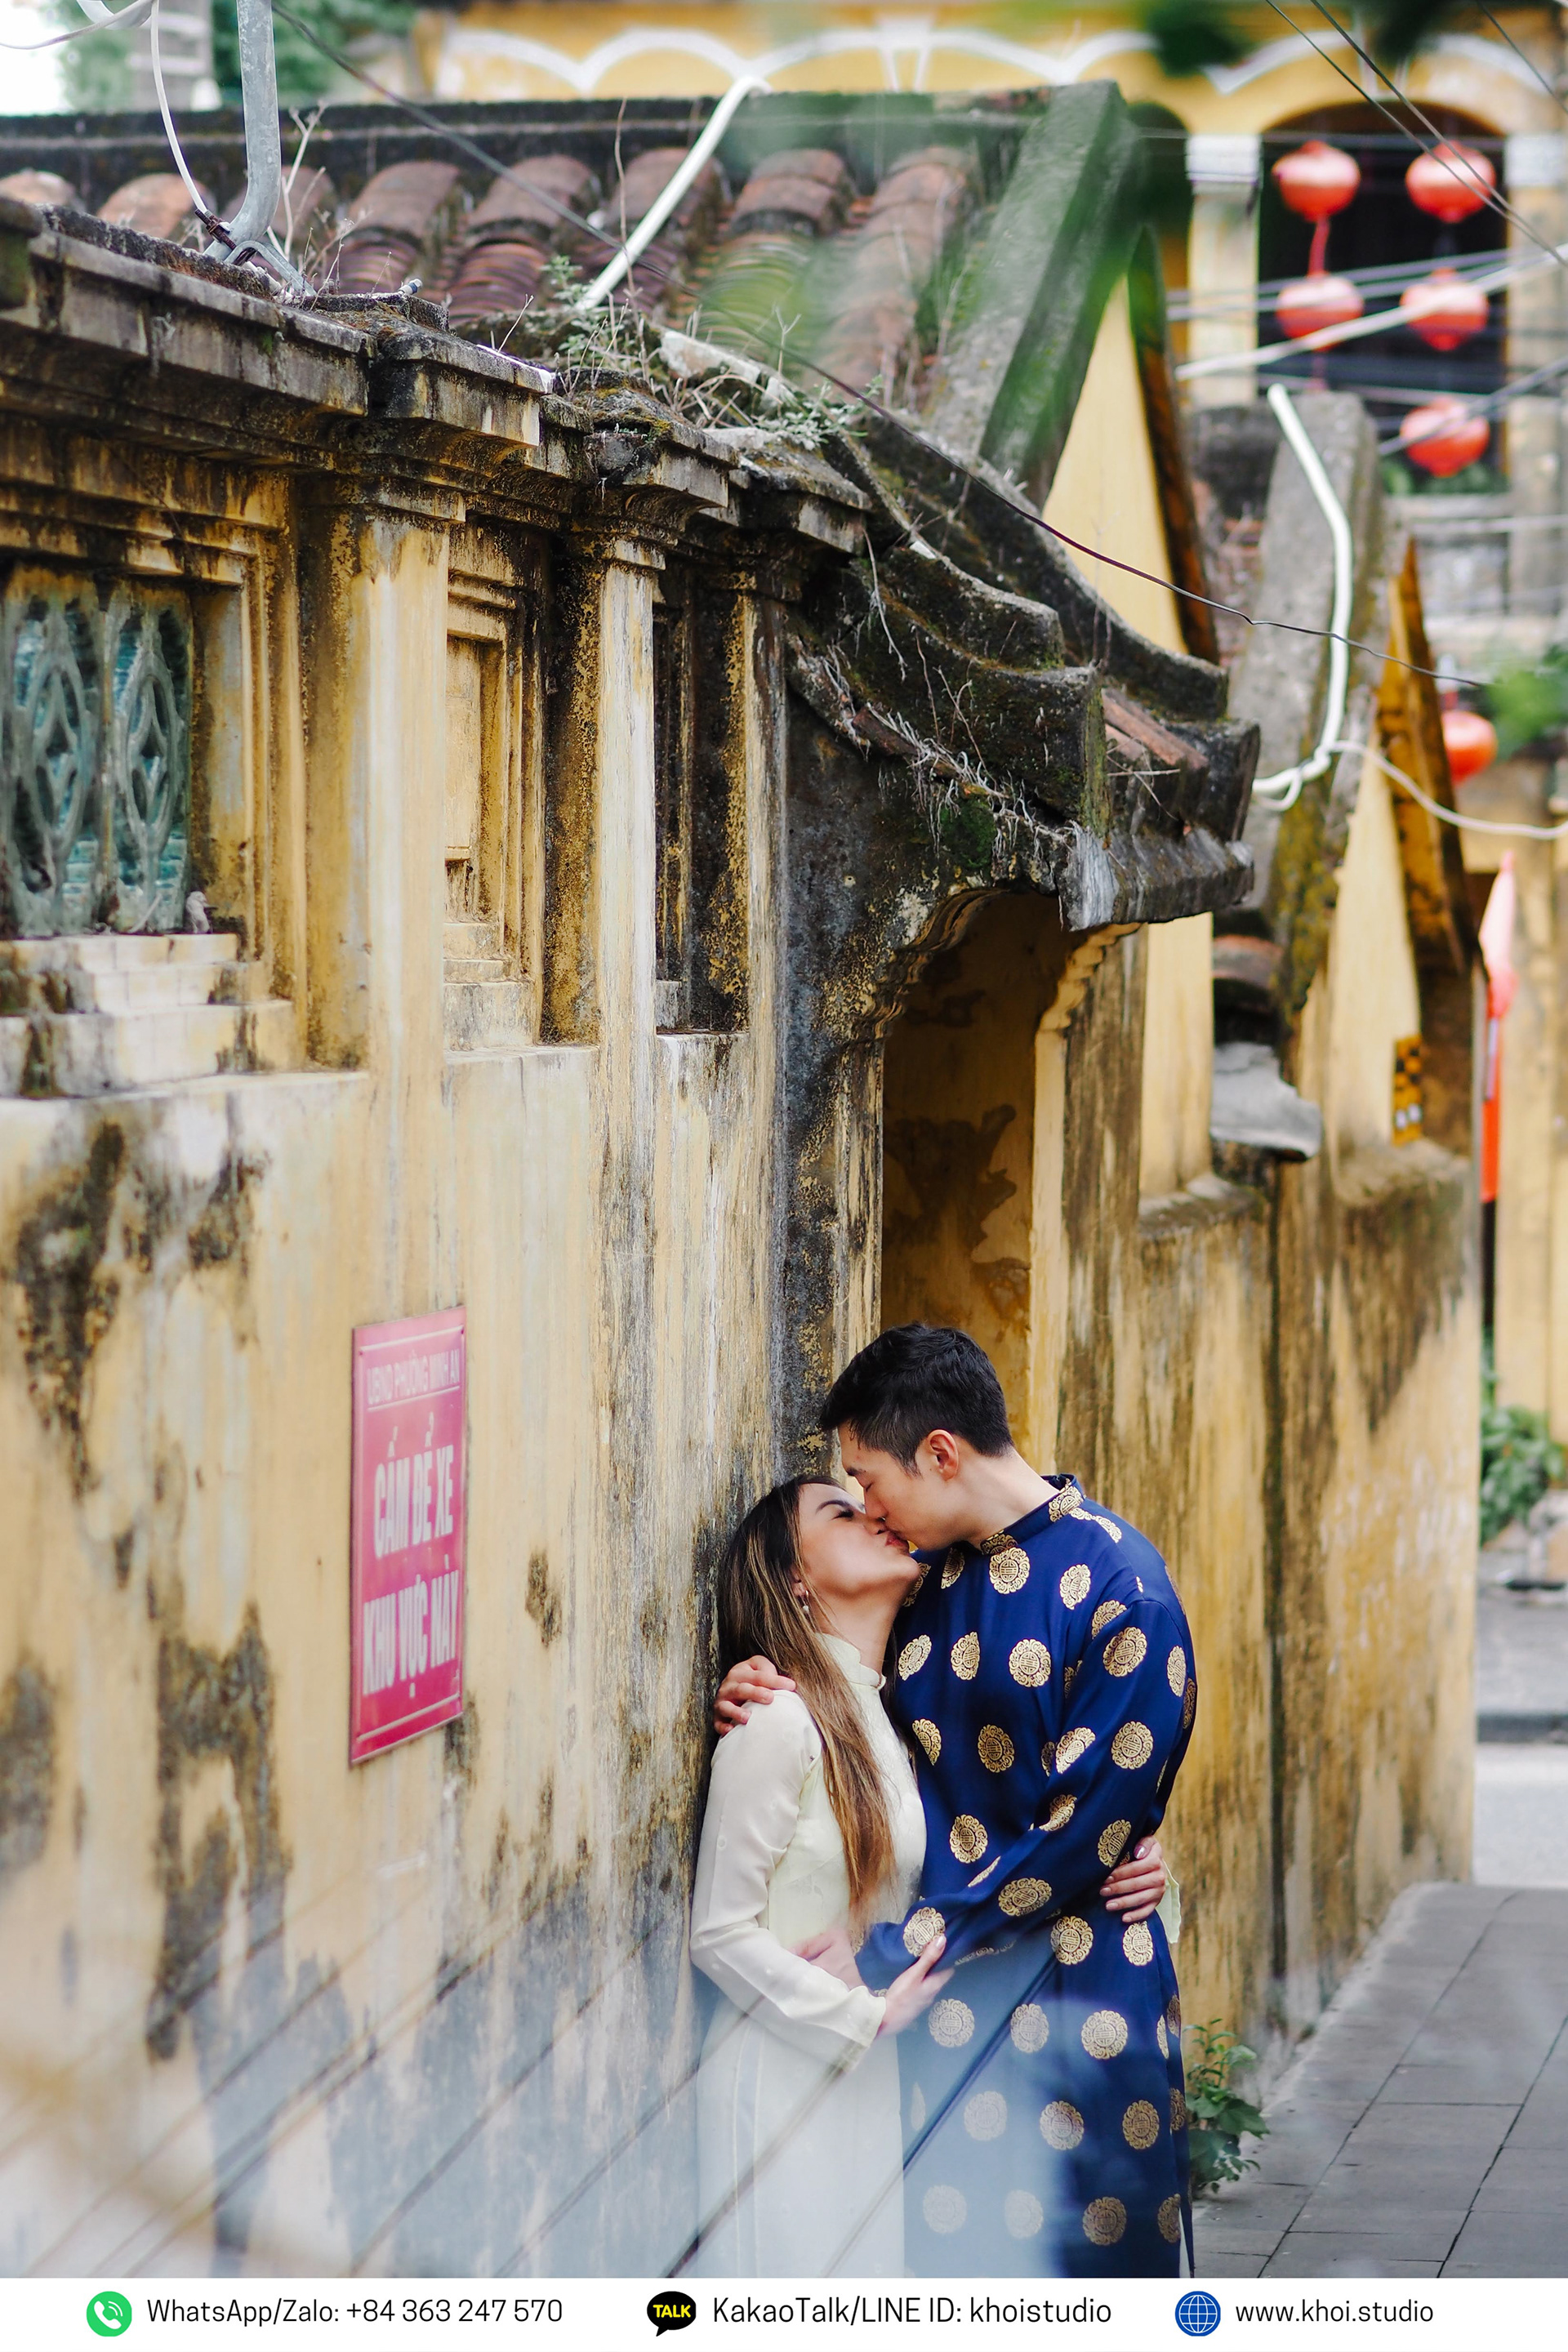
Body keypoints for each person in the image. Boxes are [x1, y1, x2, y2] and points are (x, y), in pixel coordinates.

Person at [715, 1325, 1196, 2278]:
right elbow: (846, 1701)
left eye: (868, 1479)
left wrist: (894, 1950)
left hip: (1074, 1999)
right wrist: (752, 1679)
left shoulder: (1122, 1593)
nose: (867, 1506)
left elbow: (1080, 1836)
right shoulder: (925, 1578)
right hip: (930, 2021)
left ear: (939, 1454)